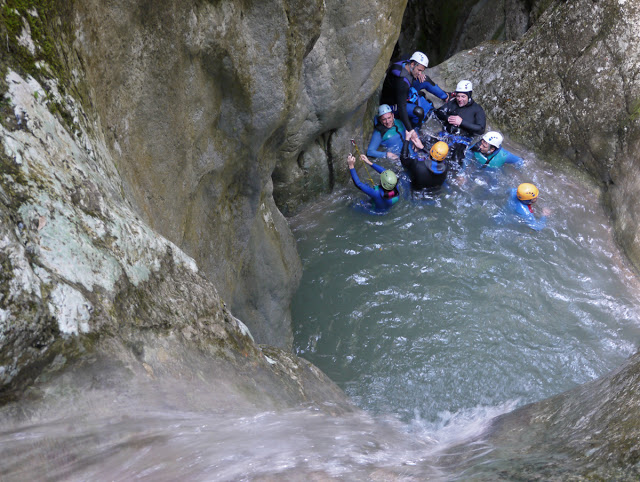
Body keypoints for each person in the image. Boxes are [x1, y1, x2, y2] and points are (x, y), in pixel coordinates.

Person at [380, 51, 431, 142]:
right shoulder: (402, 82)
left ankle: (446, 96)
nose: (420, 73)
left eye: (421, 71)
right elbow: (401, 108)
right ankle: (416, 129)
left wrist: (418, 74)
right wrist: (410, 130)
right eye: (419, 70)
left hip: (397, 95)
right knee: (419, 112)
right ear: (412, 64)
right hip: (392, 105)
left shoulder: (404, 63)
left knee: (425, 82)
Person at [433, 80, 486, 166]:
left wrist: (462, 122)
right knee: (425, 145)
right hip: (445, 135)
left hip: (462, 140)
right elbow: (438, 112)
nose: (459, 99)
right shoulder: (453, 103)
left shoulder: (477, 109)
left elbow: (481, 129)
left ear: (469, 96)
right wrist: (447, 117)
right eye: (458, 96)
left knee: (455, 162)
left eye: (463, 96)